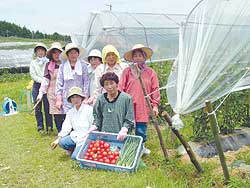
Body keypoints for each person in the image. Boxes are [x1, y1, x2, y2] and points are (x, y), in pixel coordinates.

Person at [119, 44, 160, 154]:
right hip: (129, 103)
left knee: (141, 127)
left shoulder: (150, 72)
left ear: (144, 57)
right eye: (135, 56)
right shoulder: (127, 71)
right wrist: (120, 102)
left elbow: (155, 89)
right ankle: (127, 147)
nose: (137, 58)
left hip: (143, 104)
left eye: (140, 56)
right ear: (132, 59)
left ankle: (140, 147)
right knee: (127, 126)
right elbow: (121, 87)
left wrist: (155, 105)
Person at [89, 72, 135, 141]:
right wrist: (94, 126)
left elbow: (130, 118)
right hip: (105, 135)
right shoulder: (100, 99)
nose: (109, 87)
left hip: (121, 136)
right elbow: (97, 117)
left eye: (111, 83)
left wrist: (124, 129)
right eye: (106, 84)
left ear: (116, 83)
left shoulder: (126, 98)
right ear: (103, 87)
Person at [51, 87, 93, 160]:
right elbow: (66, 126)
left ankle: (85, 149)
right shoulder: (70, 112)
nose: (75, 100)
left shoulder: (89, 110)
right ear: (70, 100)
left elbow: (93, 126)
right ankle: (74, 148)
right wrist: (58, 139)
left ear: (81, 98)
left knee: (74, 157)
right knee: (62, 142)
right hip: (76, 136)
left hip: (87, 138)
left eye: (77, 97)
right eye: (73, 98)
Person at [37, 42, 65, 133]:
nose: (57, 55)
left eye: (59, 52)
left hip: (65, 92)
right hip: (52, 93)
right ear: (51, 54)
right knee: (57, 114)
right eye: (54, 53)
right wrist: (41, 93)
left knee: (66, 113)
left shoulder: (66, 64)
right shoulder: (48, 65)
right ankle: (60, 131)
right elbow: (45, 80)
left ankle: (67, 131)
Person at [55, 43, 89, 114]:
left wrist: (85, 97)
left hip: (80, 96)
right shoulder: (62, 66)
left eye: (75, 53)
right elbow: (59, 83)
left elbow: (86, 82)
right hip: (67, 97)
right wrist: (59, 99)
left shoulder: (83, 66)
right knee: (68, 118)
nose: (73, 55)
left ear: (78, 54)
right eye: (71, 53)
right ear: (67, 55)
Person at [30, 43, 53, 134]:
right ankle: (40, 126)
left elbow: (50, 74)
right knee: (38, 107)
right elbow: (33, 75)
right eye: (38, 50)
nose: (40, 52)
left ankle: (49, 125)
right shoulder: (33, 63)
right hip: (37, 85)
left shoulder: (48, 62)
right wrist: (43, 81)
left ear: (45, 52)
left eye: (42, 50)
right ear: (36, 52)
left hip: (48, 86)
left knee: (48, 106)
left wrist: (46, 82)